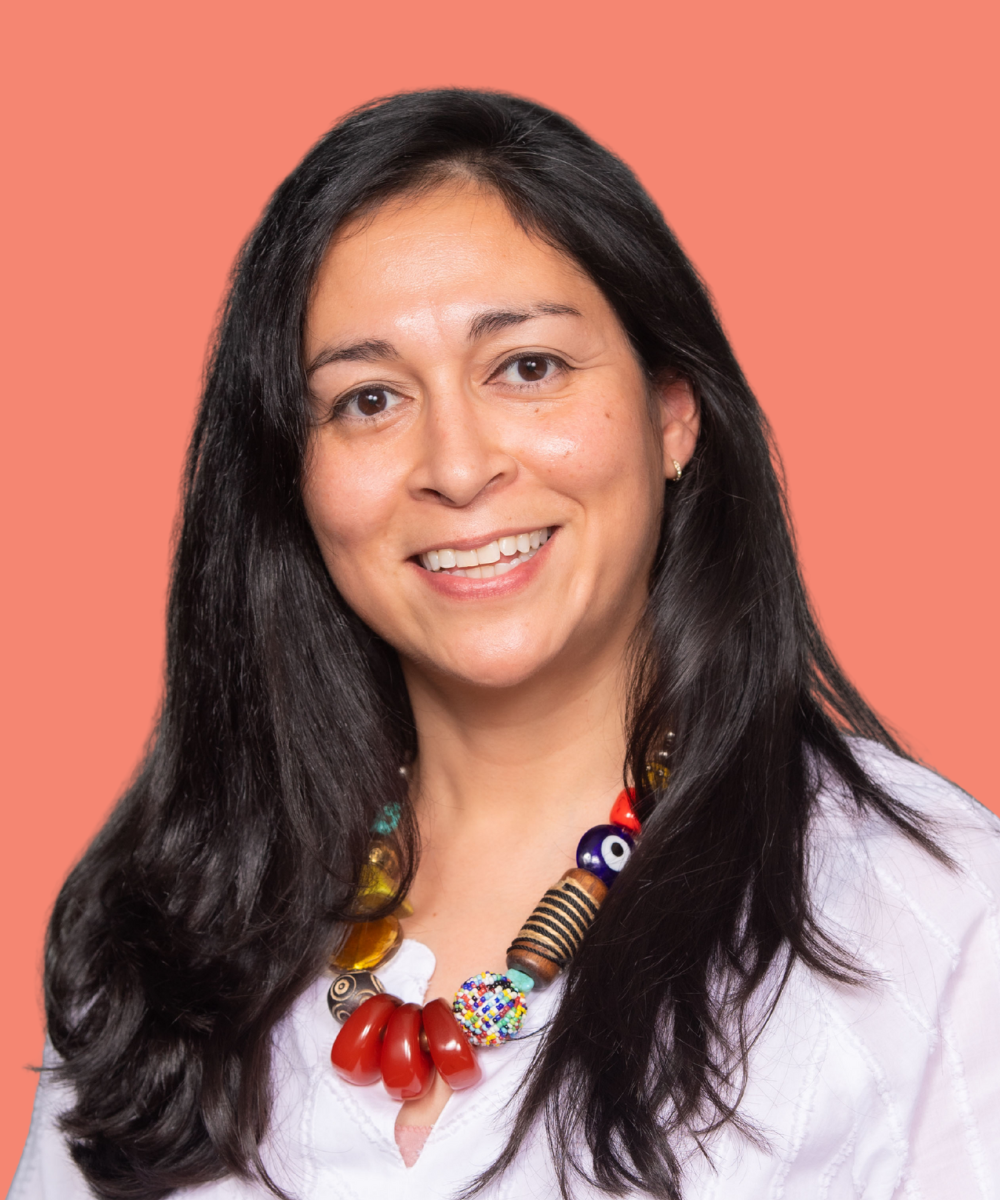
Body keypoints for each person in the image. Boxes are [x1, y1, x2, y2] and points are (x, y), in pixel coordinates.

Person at [9, 89, 999, 1200]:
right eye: (369, 399)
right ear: (292, 477)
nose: (458, 464)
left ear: (674, 412)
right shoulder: (168, 914)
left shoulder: (935, 919)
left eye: (527, 367)